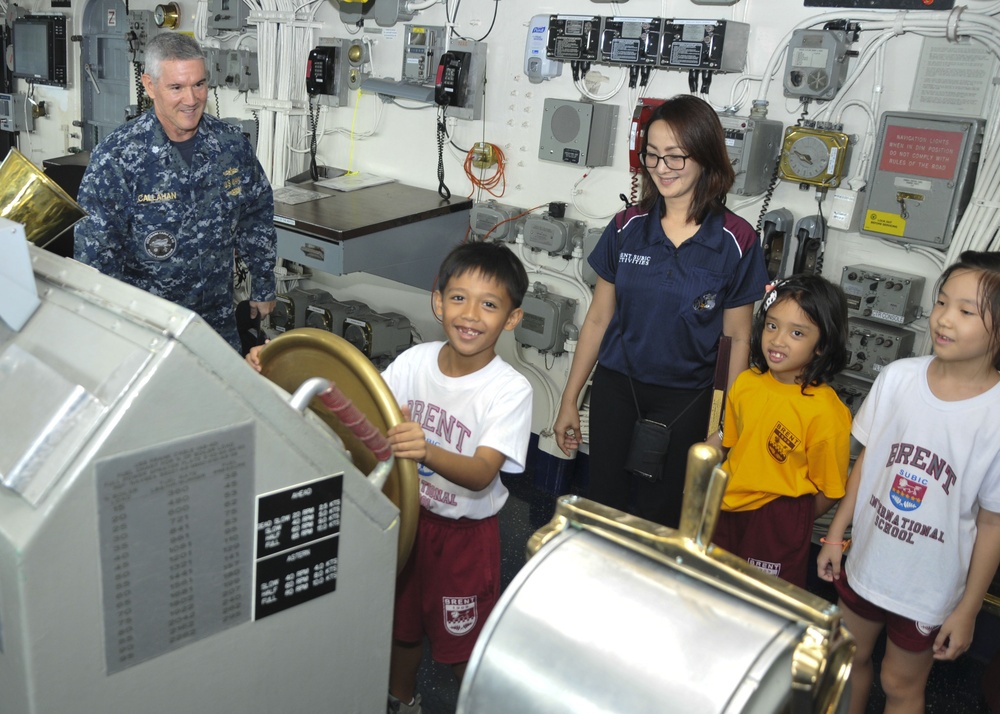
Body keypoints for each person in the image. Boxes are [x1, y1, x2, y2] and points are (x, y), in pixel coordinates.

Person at [553, 94, 768, 529]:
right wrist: (569, 398)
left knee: (662, 513)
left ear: (706, 157)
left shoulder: (737, 240)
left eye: (675, 156)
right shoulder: (626, 226)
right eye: (652, 156)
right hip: (618, 388)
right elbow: (597, 319)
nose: (661, 168)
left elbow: (738, 340)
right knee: (604, 504)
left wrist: (725, 423)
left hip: (688, 399)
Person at [817, 251, 1000, 714]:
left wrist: (969, 609)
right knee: (844, 660)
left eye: (965, 311)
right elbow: (867, 465)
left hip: (929, 589)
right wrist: (836, 536)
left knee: (898, 683)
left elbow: (993, 523)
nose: (944, 318)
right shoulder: (898, 378)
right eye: (941, 302)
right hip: (866, 563)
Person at [379, 241, 531, 714]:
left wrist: (427, 449)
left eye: (490, 304)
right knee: (401, 629)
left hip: (464, 539)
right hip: (407, 522)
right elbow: (364, 407)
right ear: (438, 300)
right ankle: (401, 701)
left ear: (512, 319)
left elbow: (483, 474)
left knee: (460, 647)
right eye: (459, 298)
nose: (470, 314)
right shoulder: (413, 363)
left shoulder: (509, 390)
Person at [74, 32, 276, 352]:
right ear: (150, 86)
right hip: (147, 329)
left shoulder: (231, 145)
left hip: (216, 324)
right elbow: (96, 254)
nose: (192, 99)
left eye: (199, 84)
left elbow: (256, 214)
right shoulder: (118, 157)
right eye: (176, 87)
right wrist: (109, 331)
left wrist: (264, 284)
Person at [713, 275, 851, 588]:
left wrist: (794, 521)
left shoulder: (826, 412)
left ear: (822, 345)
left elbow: (830, 490)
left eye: (797, 332)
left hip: (779, 520)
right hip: (727, 508)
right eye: (772, 325)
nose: (778, 340)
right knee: (717, 589)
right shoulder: (747, 383)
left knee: (763, 602)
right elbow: (730, 445)